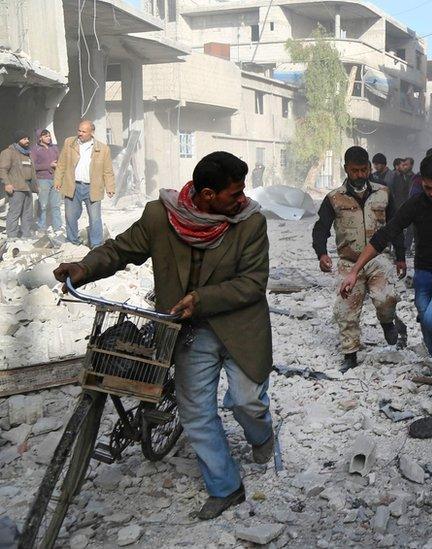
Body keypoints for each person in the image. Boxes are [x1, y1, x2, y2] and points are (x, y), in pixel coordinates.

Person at [53, 151, 274, 520]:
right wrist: (84, 267)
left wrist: (201, 299)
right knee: (196, 413)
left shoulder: (251, 223)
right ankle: (226, 487)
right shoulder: (161, 216)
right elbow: (121, 250)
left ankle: (262, 436)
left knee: (246, 402)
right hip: (188, 332)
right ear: (207, 195)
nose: (243, 199)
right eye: (234, 194)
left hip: (241, 327)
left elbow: (253, 283)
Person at [339, 154, 432, 412]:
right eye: (428, 187)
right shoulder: (415, 204)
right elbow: (384, 236)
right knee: (431, 336)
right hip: (424, 273)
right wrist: (355, 270)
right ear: (422, 182)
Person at [312, 146, 407, 372]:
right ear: (346, 169)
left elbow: (396, 227)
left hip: (378, 258)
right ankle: (350, 353)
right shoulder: (333, 198)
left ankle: (387, 322)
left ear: (368, 168)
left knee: (386, 298)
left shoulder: (384, 193)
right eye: (354, 171)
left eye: (364, 170)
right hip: (348, 262)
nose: (360, 175)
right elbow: (321, 228)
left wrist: (401, 257)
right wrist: (322, 253)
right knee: (346, 309)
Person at [53, 120, 115, 248]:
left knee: (95, 218)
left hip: (92, 188)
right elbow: (61, 164)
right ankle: (72, 242)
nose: (80, 133)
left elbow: (108, 170)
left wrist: (110, 187)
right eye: (79, 130)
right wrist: (58, 180)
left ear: (91, 132)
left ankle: (96, 244)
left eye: (83, 131)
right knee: (70, 216)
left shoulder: (103, 149)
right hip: (73, 186)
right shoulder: (70, 143)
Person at [1, 131, 37, 239]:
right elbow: (2, 169)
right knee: (15, 212)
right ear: (18, 140)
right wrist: (7, 184)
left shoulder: (27, 154)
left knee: (27, 213)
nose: (27, 141)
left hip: (27, 187)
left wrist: (35, 186)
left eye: (28, 138)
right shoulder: (8, 152)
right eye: (24, 139)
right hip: (16, 187)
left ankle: (26, 234)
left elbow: (32, 171)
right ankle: (12, 235)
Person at [30, 129, 62, 233]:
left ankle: (58, 227)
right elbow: (33, 166)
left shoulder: (54, 148)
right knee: (43, 205)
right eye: (45, 136)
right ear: (40, 138)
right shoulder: (35, 150)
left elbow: (61, 161)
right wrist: (49, 165)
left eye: (49, 136)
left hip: (55, 180)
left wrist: (59, 166)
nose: (48, 138)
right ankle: (41, 227)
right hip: (43, 180)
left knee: (56, 205)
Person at [392, 156, 416, 253]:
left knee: (410, 228)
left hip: (409, 205)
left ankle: (407, 247)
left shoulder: (414, 178)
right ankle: (396, 248)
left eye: (406, 164)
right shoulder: (397, 176)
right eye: (403, 164)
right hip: (398, 205)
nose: (404, 167)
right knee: (397, 227)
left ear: (411, 165)